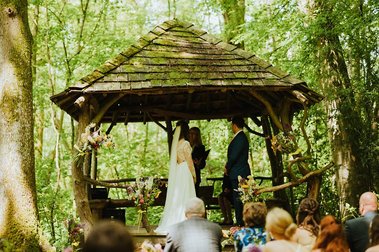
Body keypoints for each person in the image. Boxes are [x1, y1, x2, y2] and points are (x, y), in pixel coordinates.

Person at [155, 121, 197, 234]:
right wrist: (194, 175)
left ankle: (176, 220)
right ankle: (188, 221)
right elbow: (190, 162)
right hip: (185, 169)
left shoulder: (176, 144)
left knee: (178, 197)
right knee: (187, 194)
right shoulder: (186, 144)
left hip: (178, 170)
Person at [224, 116, 251, 226]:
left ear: (234, 125)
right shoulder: (240, 137)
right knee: (238, 198)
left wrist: (227, 167)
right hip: (238, 172)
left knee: (239, 198)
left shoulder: (240, 138)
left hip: (240, 173)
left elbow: (234, 156)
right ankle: (240, 220)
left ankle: (241, 222)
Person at [189, 127, 209, 195]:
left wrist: (198, 162)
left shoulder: (201, 147)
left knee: (195, 194)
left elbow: (202, 164)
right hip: (187, 173)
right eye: (190, 133)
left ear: (197, 135)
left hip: (195, 173)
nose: (191, 135)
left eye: (193, 133)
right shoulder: (186, 145)